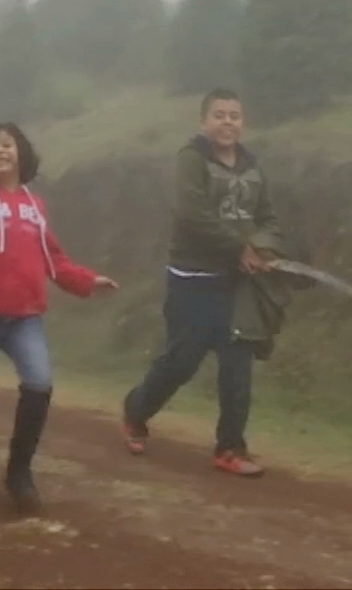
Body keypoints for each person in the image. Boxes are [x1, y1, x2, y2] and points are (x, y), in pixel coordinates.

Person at [0, 123, 117, 514]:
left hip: (26, 318)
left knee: (39, 382)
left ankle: (19, 474)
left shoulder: (35, 205)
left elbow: (54, 259)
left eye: (7, 145)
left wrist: (85, 281)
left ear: (21, 155)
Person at [120, 89, 290, 478]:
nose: (227, 122)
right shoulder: (191, 159)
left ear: (242, 123)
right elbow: (191, 213)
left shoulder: (253, 166)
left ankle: (230, 448)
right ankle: (136, 411)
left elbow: (269, 218)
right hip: (193, 281)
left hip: (239, 285)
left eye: (234, 115)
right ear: (204, 122)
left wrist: (263, 248)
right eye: (219, 115)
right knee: (181, 363)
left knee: (237, 367)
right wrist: (238, 248)